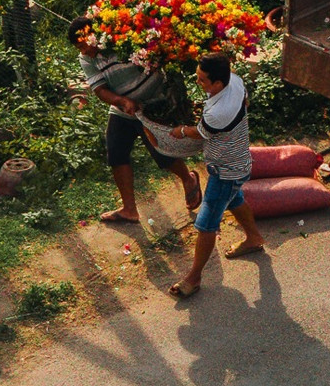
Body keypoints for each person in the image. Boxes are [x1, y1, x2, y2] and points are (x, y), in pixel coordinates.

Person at [73, 18, 201, 224]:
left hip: (154, 103)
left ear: (93, 35)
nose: (84, 51)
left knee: (161, 151)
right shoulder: (87, 59)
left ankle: (189, 179)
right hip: (123, 109)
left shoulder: (120, 38)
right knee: (116, 152)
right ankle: (129, 209)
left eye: (84, 45)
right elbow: (100, 89)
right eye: (79, 48)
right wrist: (122, 101)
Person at [167, 54, 266, 299]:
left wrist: (181, 131)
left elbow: (200, 133)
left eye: (202, 80)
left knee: (206, 224)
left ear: (218, 83)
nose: (198, 82)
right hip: (237, 162)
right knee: (234, 200)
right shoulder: (236, 81)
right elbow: (245, 104)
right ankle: (254, 238)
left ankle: (194, 278)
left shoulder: (218, 113)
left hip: (226, 171)